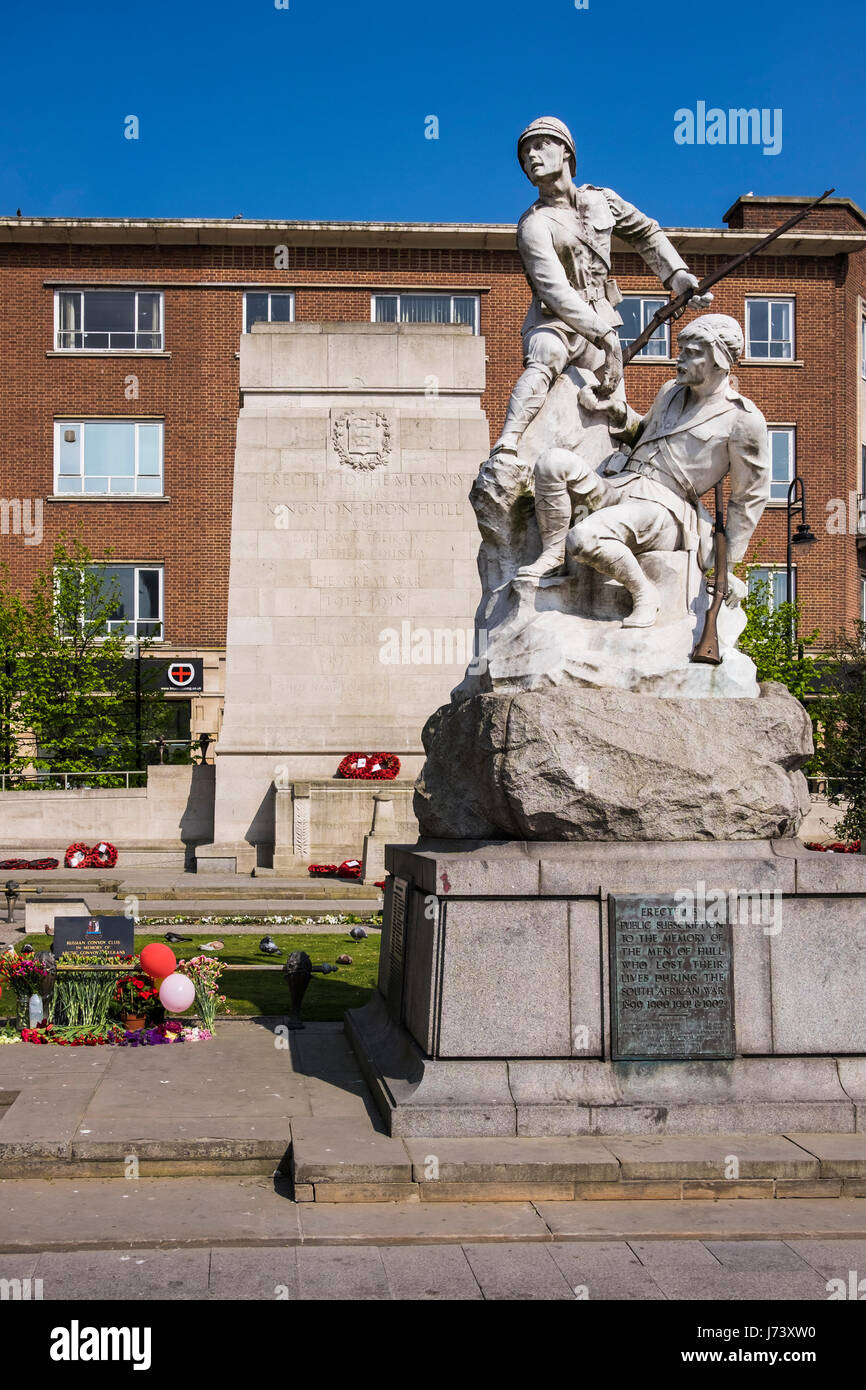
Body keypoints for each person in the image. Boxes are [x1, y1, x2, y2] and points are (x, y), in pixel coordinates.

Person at [517, 314, 770, 630]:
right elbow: (644, 433)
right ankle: (553, 556)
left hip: (666, 510)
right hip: (621, 483)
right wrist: (615, 412)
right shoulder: (671, 391)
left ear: (719, 360)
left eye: (692, 352)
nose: (680, 358)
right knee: (552, 463)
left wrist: (726, 564)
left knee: (583, 539)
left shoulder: (743, 420)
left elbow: (749, 498)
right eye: (681, 349)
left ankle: (644, 593)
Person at [491, 116, 712, 459]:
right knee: (545, 357)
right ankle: (507, 443)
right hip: (555, 322)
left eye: (540, 146)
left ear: (565, 152)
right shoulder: (532, 225)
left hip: (601, 316)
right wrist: (607, 339)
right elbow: (554, 292)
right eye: (524, 155)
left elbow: (646, 232)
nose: (531, 157)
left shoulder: (601, 201)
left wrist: (677, 276)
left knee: (614, 409)